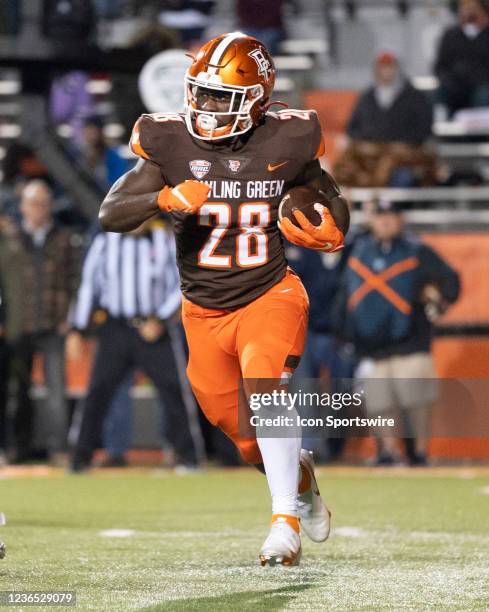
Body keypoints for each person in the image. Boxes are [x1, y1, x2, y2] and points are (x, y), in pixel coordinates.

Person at [96, 32, 350, 566]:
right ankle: (299, 475)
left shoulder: (290, 136)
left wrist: (333, 228)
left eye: (219, 96)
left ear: (257, 98)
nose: (206, 106)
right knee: (236, 428)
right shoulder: (167, 141)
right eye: (200, 93)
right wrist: (161, 198)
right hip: (202, 310)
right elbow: (111, 213)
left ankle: (284, 524)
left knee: (266, 386)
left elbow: (326, 195)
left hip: (269, 292)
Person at [68, 218, 206, 471]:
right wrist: (77, 328)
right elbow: (89, 287)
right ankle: (79, 459)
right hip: (116, 327)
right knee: (97, 392)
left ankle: (190, 458)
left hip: (154, 329)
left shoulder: (164, 241)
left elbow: (182, 283)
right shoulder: (103, 242)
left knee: (175, 391)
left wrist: (161, 319)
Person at [333, 199, 460, 466]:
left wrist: (439, 301)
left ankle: (420, 454)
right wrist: (343, 331)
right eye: (381, 215)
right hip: (371, 346)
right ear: (372, 220)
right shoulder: (358, 251)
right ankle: (387, 453)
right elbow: (344, 294)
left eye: (391, 215)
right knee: (379, 404)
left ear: (401, 219)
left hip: (411, 342)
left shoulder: (417, 251)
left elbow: (450, 279)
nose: (386, 220)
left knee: (416, 401)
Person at [0, 181, 81, 464]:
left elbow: (75, 282)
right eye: (33, 203)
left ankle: (58, 448)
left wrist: (70, 321)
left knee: (56, 391)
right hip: (16, 325)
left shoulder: (63, 238)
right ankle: (16, 449)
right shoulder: (8, 238)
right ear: (22, 205)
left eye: (44, 203)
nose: (39, 209)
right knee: (15, 392)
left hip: (52, 324)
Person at [334, 51, 435, 188]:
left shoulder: (415, 97)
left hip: (403, 157)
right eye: (382, 67)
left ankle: (388, 205)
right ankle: (364, 205)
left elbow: (423, 130)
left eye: (390, 67)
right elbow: (353, 128)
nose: (386, 71)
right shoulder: (366, 97)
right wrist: (369, 144)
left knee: (401, 175)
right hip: (370, 155)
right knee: (346, 169)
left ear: (397, 69)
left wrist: (398, 145)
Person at [434, 0, 489, 116]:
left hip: (481, 86)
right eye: (464, 7)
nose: (468, 11)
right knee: (438, 94)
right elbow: (440, 67)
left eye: (472, 7)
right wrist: (450, 83)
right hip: (454, 85)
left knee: (483, 95)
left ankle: (480, 132)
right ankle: (442, 131)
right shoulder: (450, 35)